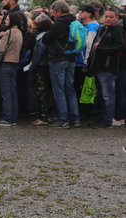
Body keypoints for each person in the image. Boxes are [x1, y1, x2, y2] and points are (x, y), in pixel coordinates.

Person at [43, 0, 79, 128]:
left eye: (53, 11)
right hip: (71, 58)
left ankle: (63, 119)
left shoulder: (58, 24)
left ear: (58, 11)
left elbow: (45, 39)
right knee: (70, 88)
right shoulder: (74, 21)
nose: (52, 14)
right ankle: (76, 119)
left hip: (58, 59)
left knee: (59, 89)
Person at [88, 7, 124, 128]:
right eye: (107, 16)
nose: (108, 19)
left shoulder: (117, 30)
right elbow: (94, 46)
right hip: (98, 66)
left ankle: (108, 120)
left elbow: (119, 47)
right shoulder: (101, 29)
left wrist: (101, 48)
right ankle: (103, 117)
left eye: (111, 17)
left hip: (108, 68)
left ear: (116, 18)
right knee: (102, 95)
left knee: (108, 95)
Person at [0, 13, 24, 126]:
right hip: (15, 63)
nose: (5, 21)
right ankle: (13, 118)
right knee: (12, 92)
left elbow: (0, 48)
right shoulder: (19, 32)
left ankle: (7, 118)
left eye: (7, 19)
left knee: (6, 92)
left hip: (6, 63)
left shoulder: (8, 32)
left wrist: (1, 37)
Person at [29, 14, 55, 126]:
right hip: (47, 66)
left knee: (42, 92)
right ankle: (48, 115)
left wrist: (31, 67)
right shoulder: (49, 36)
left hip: (41, 67)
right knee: (47, 92)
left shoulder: (42, 39)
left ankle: (43, 117)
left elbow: (38, 55)